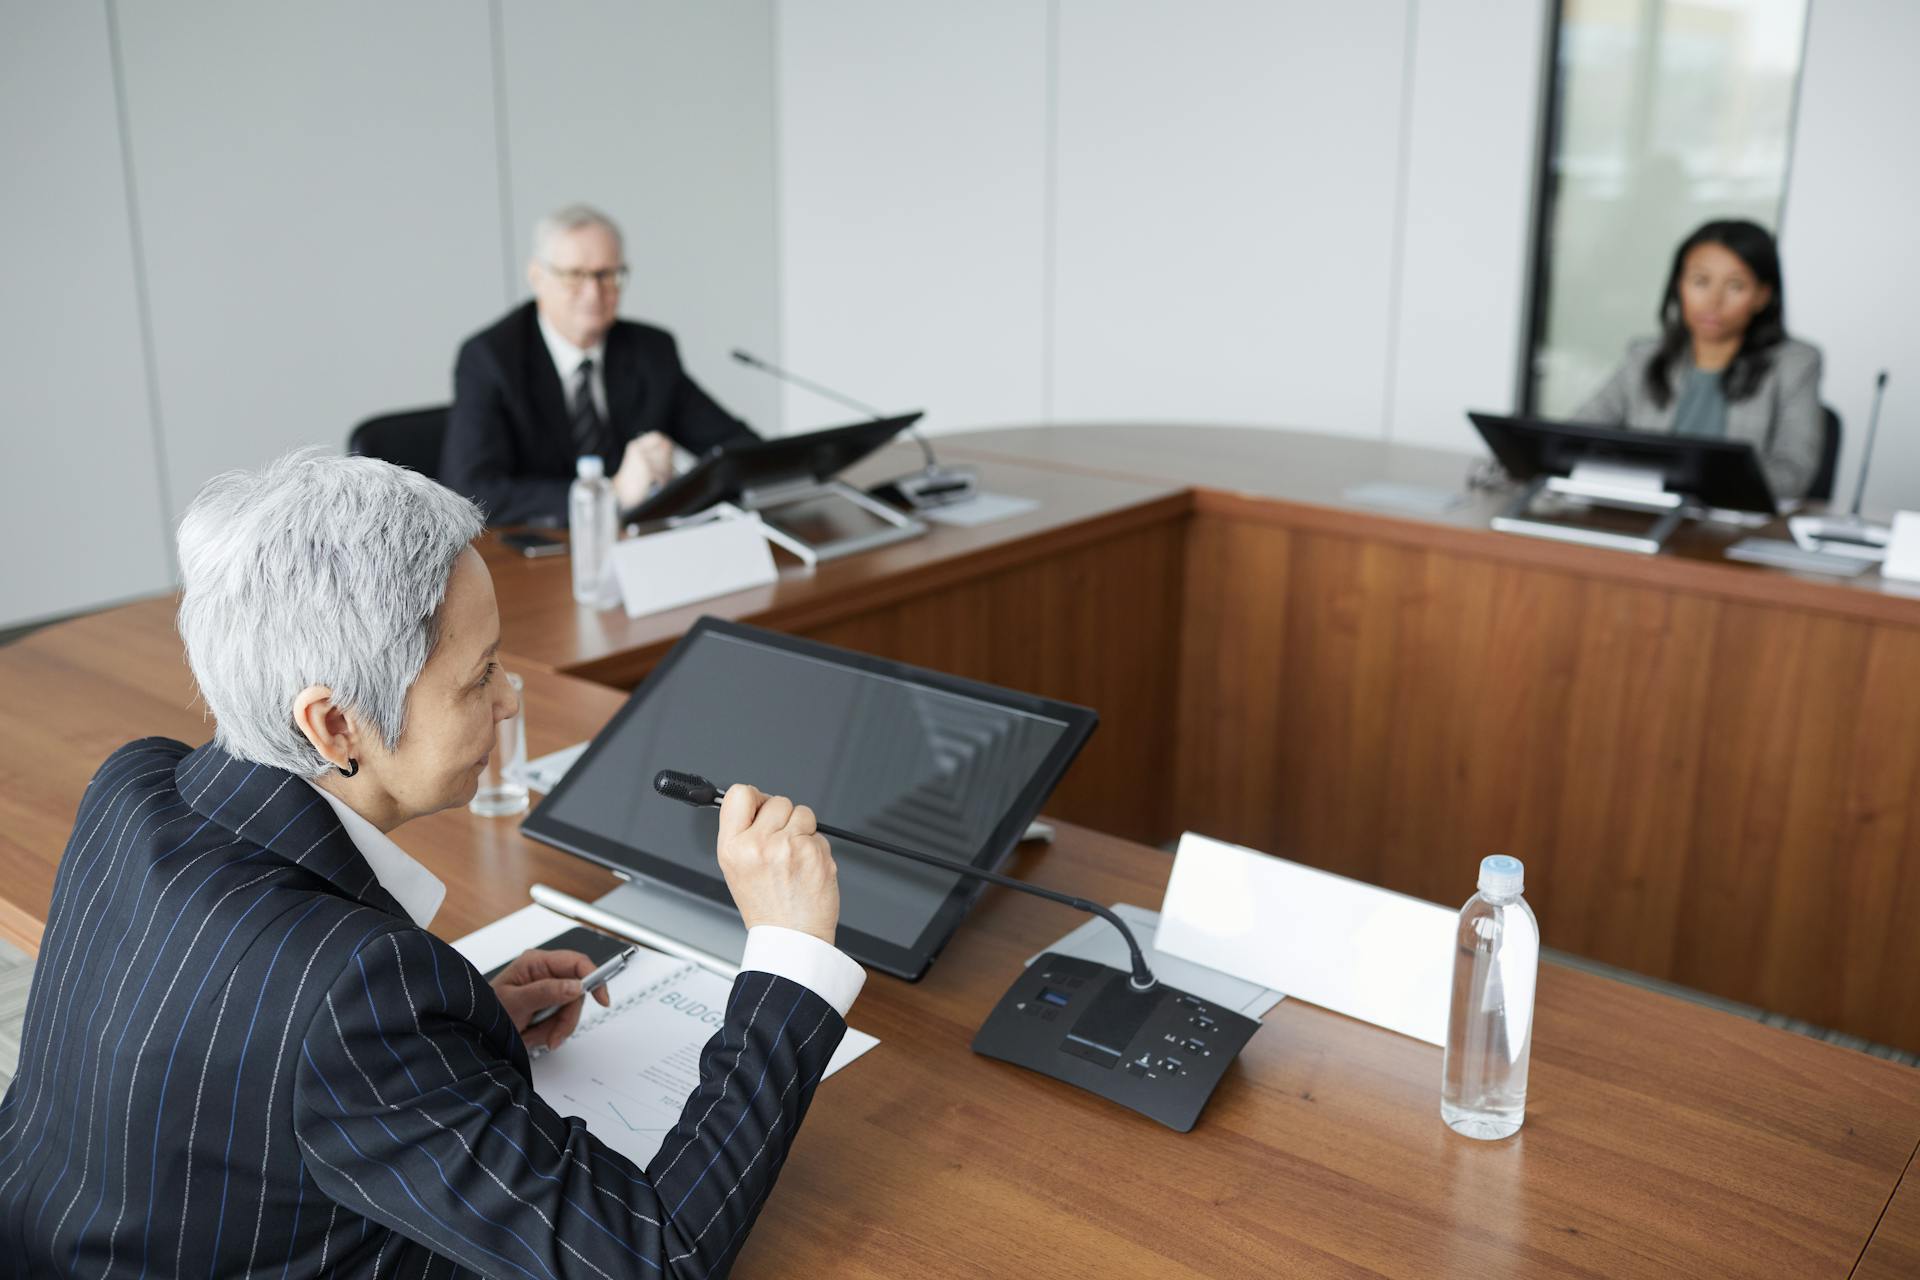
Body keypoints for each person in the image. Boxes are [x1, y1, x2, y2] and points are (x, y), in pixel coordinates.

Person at [0, 450, 861, 1276]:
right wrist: (790, 958)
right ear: (334, 725)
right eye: (479, 674)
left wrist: (450, 1036)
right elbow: (654, 1257)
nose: (509, 696)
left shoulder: (138, 783)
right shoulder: (352, 998)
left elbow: (226, 1030)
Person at [441, 204, 757, 525]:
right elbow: (471, 491)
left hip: (635, 544)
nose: (593, 293)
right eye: (575, 276)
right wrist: (611, 492)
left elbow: (734, 447)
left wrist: (683, 481)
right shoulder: (491, 359)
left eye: (607, 275)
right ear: (537, 276)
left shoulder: (650, 350)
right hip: (539, 553)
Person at [1574, 218, 1824, 502]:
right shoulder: (1644, 356)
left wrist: (1701, 486)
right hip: (1643, 516)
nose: (1713, 301)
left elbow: (1793, 474)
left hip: (1728, 527)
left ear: (1762, 296)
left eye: (1736, 286)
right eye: (1700, 281)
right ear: (1679, 285)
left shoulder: (1795, 364)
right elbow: (1574, 437)